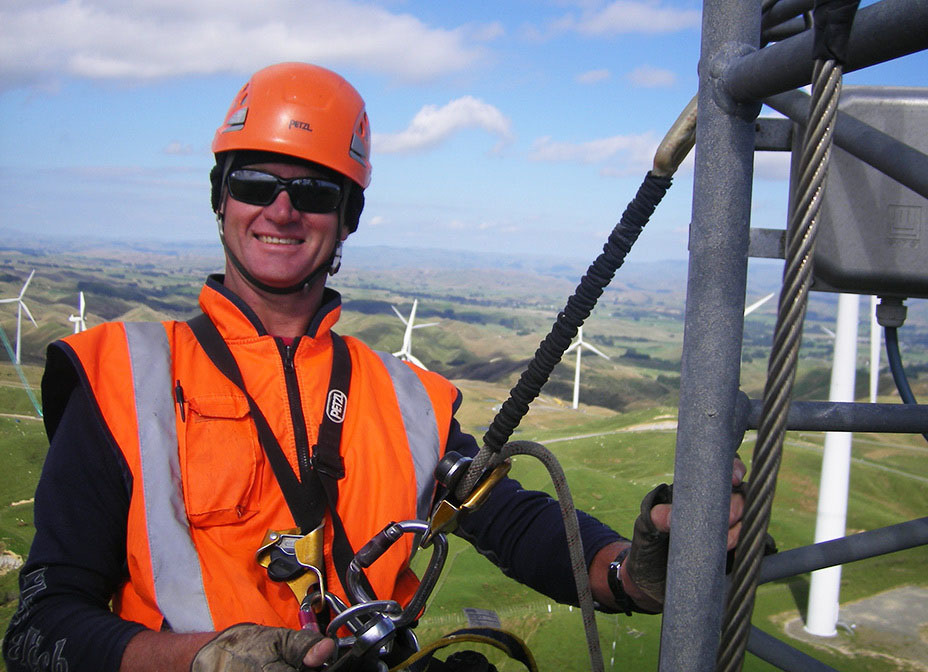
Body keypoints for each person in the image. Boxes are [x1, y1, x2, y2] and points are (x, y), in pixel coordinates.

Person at [2, 62, 745, 671]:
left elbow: (511, 522)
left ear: (350, 214)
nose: (282, 210)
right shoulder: (119, 375)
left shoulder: (407, 396)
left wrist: (626, 569)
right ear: (220, 198)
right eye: (256, 183)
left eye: (316, 191)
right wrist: (203, 658)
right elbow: (40, 630)